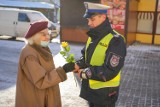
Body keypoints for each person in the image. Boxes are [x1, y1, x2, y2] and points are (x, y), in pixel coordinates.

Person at [74, 2, 127, 107]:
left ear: (103, 17)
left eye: (92, 19)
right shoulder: (92, 36)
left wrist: (83, 73)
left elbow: (110, 70)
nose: (89, 23)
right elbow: (85, 57)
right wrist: (77, 64)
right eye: (88, 20)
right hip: (92, 92)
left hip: (105, 94)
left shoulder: (116, 40)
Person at [15, 20, 75, 107]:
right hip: (36, 100)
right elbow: (41, 81)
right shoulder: (29, 54)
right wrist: (63, 70)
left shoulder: (42, 48)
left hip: (45, 97)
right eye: (43, 34)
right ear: (34, 36)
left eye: (48, 33)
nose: (48, 37)